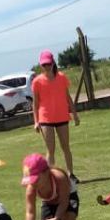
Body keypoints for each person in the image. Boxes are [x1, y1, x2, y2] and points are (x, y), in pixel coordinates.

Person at [31, 50, 79, 182]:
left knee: (66, 146)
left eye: (48, 64)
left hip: (62, 117)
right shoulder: (37, 81)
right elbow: (35, 104)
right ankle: (51, 178)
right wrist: (36, 121)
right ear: (41, 65)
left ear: (53, 63)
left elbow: (68, 97)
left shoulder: (62, 77)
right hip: (45, 119)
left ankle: (71, 174)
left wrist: (74, 114)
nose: (47, 66)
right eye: (44, 64)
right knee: (50, 149)